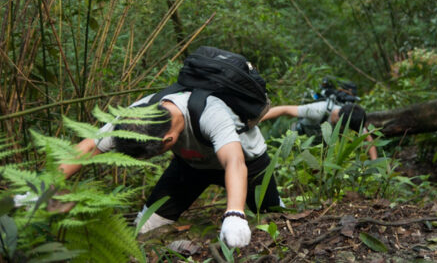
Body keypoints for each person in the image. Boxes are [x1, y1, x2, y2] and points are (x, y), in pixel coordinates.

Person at [56, 91, 282, 249]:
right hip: (190, 165)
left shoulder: (210, 113)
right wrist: (46, 183)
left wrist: (234, 213)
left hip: (247, 162)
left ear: (168, 141)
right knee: (145, 228)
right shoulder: (138, 116)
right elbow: (89, 146)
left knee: (276, 218)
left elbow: (234, 162)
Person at [260, 101, 378, 160]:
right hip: (293, 133)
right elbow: (285, 109)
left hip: (314, 147)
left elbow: (368, 140)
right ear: (341, 124)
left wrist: (375, 164)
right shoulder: (318, 111)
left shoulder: (352, 119)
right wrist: (259, 119)